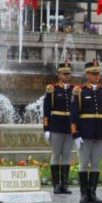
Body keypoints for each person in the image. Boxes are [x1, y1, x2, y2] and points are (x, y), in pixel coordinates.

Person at [71, 60, 102, 203]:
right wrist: (75, 134)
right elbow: (74, 114)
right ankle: (84, 194)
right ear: (87, 75)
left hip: (99, 134)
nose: (97, 76)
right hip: (85, 134)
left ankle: (92, 193)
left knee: (95, 164)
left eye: (98, 73)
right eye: (93, 74)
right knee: (83, 164)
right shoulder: (80, 91)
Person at [43, 61, 74, 194]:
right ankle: (56, 184)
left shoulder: (74, 89)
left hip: (70, 127)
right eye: (64, 74)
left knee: (66, 155)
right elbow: (46, 109)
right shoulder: (52, 89)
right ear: (59, 75)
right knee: (56, 155)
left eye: (68, 74)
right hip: (56, 126)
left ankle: (65, 184)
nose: (66, 76)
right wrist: (46, 128)